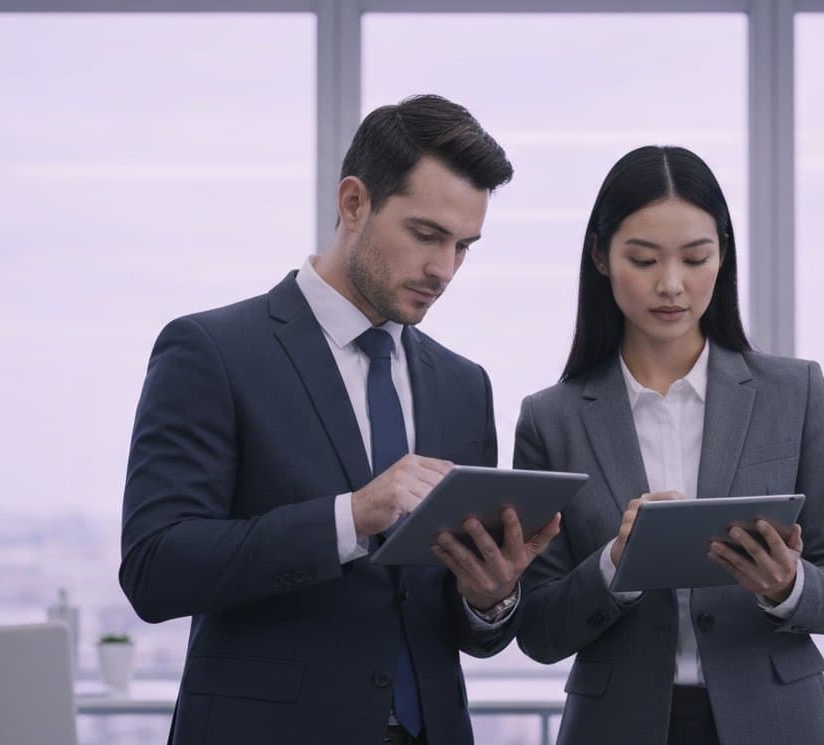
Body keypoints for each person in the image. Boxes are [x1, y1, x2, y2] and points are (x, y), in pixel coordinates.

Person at [119, 94, 561, 745]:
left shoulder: (463, 386)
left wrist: (489, 597)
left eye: (463, 246)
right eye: (426, 234)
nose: (444, 269)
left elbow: (460, 626)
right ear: (353, 203)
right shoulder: (213, 351)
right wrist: (350, 516)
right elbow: (155, 568)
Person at [513, 145, 824, 745]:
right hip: (617, 725)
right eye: (644, 259)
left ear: (722, 255)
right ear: (600, 256)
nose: (671, 285)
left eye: (696, 258)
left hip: (779, 721)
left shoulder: (795, 392)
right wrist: (614, 566)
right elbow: (539, 631)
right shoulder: (552, 419)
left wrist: (787, 586)